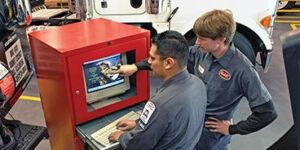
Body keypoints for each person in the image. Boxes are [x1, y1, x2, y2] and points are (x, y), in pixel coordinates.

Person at [114, 9, 278, 150]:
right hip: (189, 128)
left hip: (211, 139)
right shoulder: (202, 52)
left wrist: (233, 129)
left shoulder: (243, 70)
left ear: (221, 40)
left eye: (202, 38)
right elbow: (172, 59)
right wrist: (136, 67)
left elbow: (267, 113)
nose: (197, 42)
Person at [108, 30, 207, 150]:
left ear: (168, 63)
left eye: (152, 58)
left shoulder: (160, 104)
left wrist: (121, 137)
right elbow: (170, 123)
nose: (149, 61)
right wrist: (138, 123)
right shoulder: (198, 84)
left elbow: (138, 145)